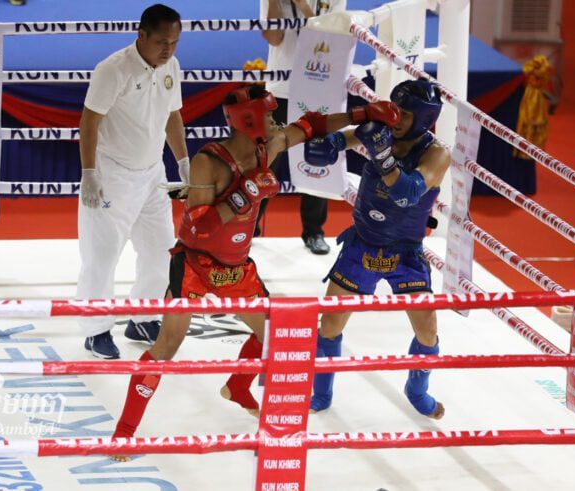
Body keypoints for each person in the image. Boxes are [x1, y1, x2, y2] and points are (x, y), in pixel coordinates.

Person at [110, 84, 400, 460]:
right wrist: (243, 195)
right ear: (249, 121)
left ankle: (239, 387)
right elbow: (197, 227)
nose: (274, 120)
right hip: (195, 265)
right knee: (167, 346)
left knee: (275, 336)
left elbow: (310, 126)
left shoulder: (270, 145)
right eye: (267, 114)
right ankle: (124, 431)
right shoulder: (208, 161)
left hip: (236, 267)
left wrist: (364, 114)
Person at [305, 79, 449, 419]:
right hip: (363, 245)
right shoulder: (379, 129)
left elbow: (408, 193)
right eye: (395, 112)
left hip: (406, 253)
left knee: (427, 330)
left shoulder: (436, 153)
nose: (396, 121)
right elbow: (321, 149)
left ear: (424, 118)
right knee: (330, 325)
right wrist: (344, 129)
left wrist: (382, 154)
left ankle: (417, 390)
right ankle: (321, 394)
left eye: (405, 116)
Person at [77, 4, 190, 359]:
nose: (168, 49)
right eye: (161, 41)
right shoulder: (113, 69)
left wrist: (184, 163)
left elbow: (173, 116)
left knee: (161, 252)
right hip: (112, 176)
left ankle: (142, 317)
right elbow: (89, 121)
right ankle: (95, 330)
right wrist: (89, 173)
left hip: (153, 174)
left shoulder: (171, 66)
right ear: (141, 35)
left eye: (174, 42)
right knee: (102, 255)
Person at [257, 0, 346, 255]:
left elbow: (331, 38)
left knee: (317, 159)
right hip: (280, 86)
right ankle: (250, 223)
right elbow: (273, 38)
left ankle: (314, 231)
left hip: (319, 84)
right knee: (266, 159)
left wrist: (303, 5)